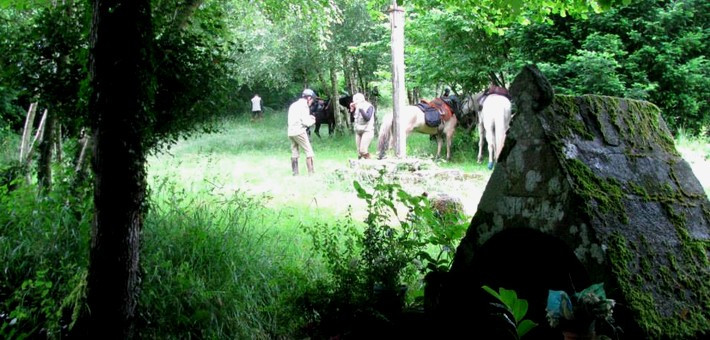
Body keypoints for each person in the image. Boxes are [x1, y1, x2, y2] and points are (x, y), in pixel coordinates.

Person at [287, 89, 317, 175]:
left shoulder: (294, 104)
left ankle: (295, 173)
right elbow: (306, 122)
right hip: (299, 131)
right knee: (309, 152)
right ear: (309, 98)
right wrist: (313, 120)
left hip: (290, 131)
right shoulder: (304, 106)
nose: (311, 102)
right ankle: (311, 173)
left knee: (294, 151)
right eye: (312, 100)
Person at [350, 93, 375, 159]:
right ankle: (360, 166)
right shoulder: (356, 107)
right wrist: (352, 110)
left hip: (367, 130)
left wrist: (360, 109)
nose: (354, 102)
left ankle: (371, 162)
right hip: (358, 131)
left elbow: (367, 118)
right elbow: (352, 120)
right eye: (353, 100)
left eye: (355, 100)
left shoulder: (369, 106)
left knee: (363, 151)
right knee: (359, 152)